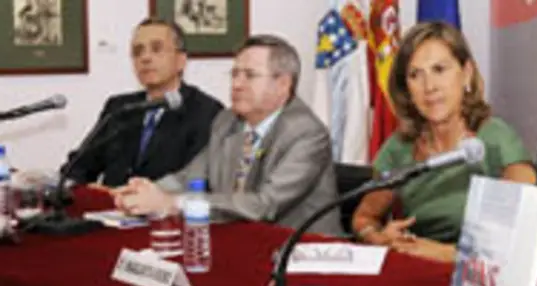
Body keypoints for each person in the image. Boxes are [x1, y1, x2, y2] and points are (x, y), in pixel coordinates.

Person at [113, 35, 342, 236]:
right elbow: (189, 177)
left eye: (250, 75)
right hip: (244, 243)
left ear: (283, 84)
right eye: (235, 74)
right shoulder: (227, 121)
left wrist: (172, 203)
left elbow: (263, 205)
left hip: (304, 255)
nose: (237, 84)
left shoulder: (306, 133)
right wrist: (145, 190)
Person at [351, 21, 536, 262]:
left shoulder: (497, 140)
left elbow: (522, 235)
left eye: (439, 70)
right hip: (416, 272)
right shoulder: (399, 148)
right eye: (415, 75)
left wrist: (445, 255)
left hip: (480, 281)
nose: (430, 87)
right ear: (406, 88)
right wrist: (378, 238)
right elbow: (363, 219)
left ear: (466, 73)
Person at [61, 18, 223, 187]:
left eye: (156, 49)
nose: (145, 58)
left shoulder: (206, 112)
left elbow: (196, 182)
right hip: (109, 211)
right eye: (138, 51)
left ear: (181, 60)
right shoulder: (119, 108)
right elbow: (79, 166)